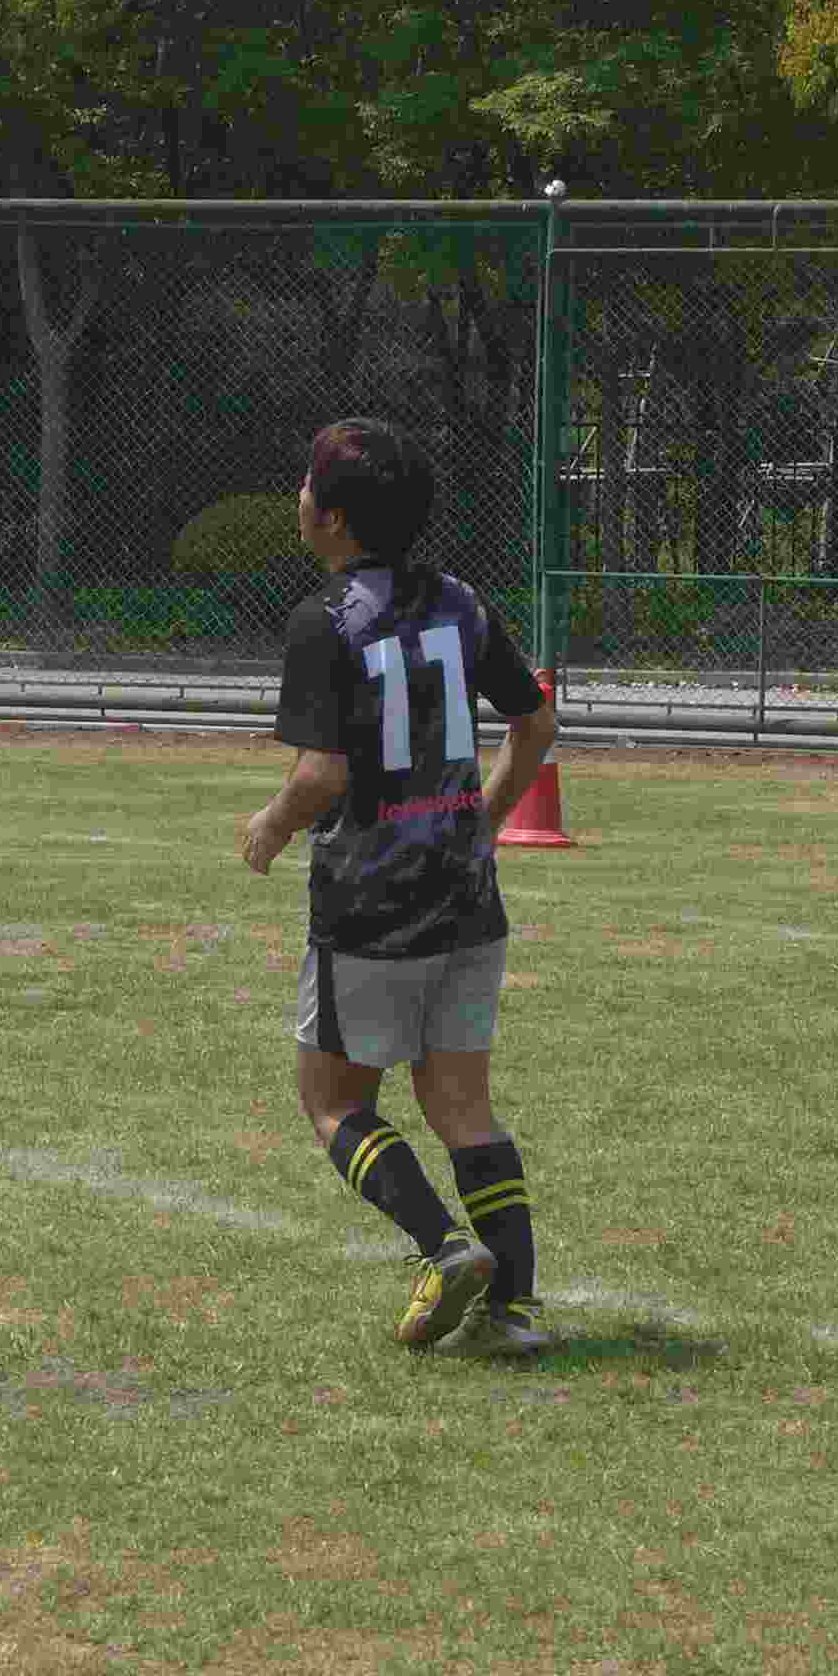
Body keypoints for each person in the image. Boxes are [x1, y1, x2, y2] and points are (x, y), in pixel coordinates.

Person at [240, 418, 561, 1355]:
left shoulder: (323, 620)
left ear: (335, 520)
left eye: (308, 484)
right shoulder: (462, 603)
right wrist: (483, 820)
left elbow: (323, 774)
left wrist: (271, 825)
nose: (298, 495)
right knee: (463, 1105)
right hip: (467, 899)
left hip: (371, 905)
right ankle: (514, 1315)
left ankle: (444, 1246)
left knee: (332, 1101)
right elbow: (535, 725)